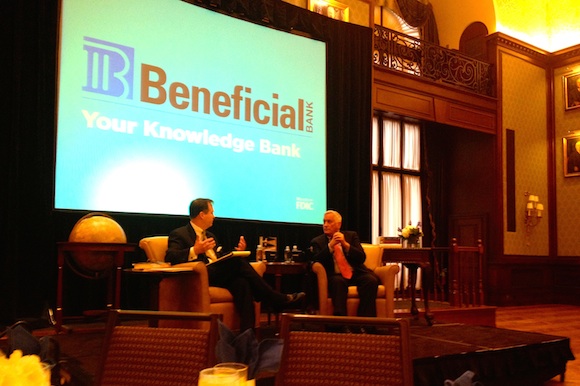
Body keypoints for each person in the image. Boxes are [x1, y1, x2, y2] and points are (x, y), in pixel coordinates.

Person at [165, 198, 305, 331]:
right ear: (202, 215)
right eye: (212, 213)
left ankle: (247, 332)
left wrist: (236, 252)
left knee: (242, 283)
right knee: (237, 263)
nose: (214, 216)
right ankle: (275, 299)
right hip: (200, 277)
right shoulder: (179, 234)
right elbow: (170, 256)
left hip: (217, 274)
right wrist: (195, 250)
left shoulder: (211, 236)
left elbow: (217, 258)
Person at [309, 210, 380, 323]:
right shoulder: (317, 241)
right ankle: (341, 324)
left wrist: (345, 245)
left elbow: (361, 257)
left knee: (371, 280)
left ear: (338, 225)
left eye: (329, 222)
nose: (325, 225)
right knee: (338, 283)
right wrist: (330, 246)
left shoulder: (351, 236)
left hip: (355, 272)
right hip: (335, 275)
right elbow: (316, 260)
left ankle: (366, 323)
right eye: (324, 222)